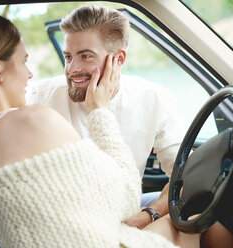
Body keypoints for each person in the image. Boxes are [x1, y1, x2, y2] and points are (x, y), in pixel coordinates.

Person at [0, 14, 233, 248]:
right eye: (24, 61)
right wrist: (100, 111)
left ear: (118, 59)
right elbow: (124, 198)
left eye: (85, 56)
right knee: (204, 223)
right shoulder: (32, 120)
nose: (30, 73)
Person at [26, 5, 184, 228]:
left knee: (201, 219)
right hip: (67, 225)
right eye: (68, 56)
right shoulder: (39, 97)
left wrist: (149, 214)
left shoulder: (152, 99)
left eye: (86, 56)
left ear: (118, 58)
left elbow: (185, 173)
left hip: (124, 212)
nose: (71, 69)